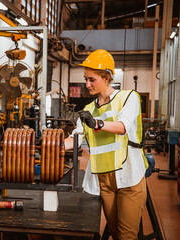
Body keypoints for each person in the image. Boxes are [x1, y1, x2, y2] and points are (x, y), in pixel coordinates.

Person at [65, 49, 148, 240]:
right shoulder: (88, 109)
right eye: (85, 79)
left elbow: (122, 127)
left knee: (127, 236)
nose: (87, 84)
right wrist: (48, 144)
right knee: (116, 233)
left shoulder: (129, 98)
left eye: (92, 79)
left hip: (129, 177)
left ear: (107, 77)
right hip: (105, 181)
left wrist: (97, 124)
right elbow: (75, 140)